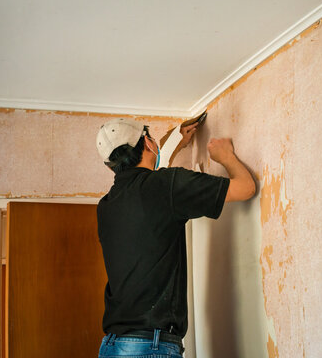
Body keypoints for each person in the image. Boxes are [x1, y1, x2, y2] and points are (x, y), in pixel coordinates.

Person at [95, 117, 255, 357]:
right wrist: (225, 157)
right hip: (149, 347)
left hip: (112, 347)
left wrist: (176, 144)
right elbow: (246, 188)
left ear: (110, 166)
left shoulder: (106, 205)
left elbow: (152, 190)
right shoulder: (165, 186)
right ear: (149, 144)